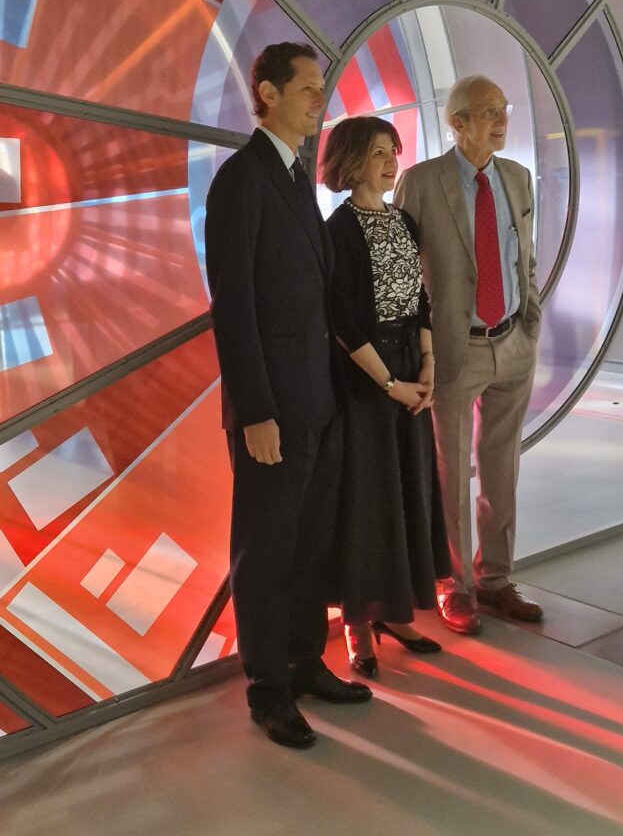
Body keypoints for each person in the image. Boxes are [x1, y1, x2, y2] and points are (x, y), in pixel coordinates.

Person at [204, 42, 372, 750]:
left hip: (318, 402)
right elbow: (234, 306)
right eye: (307, 87)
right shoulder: (243, 181)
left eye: (320, 87)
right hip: (275, 408)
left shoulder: (298, 180)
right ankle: (267, 688)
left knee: (306, 548)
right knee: (266, 551)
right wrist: (257, 412)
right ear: (267, 94)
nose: (319, 99)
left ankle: (306, 663)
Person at [394, 75, 543, 636]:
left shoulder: (517, 177)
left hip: (512, 343)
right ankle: (453, 585)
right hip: (457, 349)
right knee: (451, 471)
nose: (499, 120)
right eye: (485, 112)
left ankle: (496, 579)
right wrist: (423, 350)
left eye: (501, 109)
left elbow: (523, 259)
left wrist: (529, 323)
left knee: (502, 466)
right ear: (455, 123)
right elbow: (407, 276)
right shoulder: (422, 182)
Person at [323, 116, 451, 677]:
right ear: (351, 160)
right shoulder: (339, 229)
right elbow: (345, 322)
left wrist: (427, 367)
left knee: (409, 491)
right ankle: (358, 623)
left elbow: (420, 301)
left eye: (391, 150)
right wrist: (391, 384)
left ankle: (394, 611)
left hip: (407, 368)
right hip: (367, 379)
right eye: (377, 152)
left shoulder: (402, 220)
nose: (389, 161)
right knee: (368, 500)